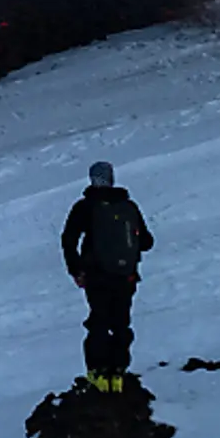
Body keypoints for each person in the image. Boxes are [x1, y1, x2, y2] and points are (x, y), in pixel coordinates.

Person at [61, 160, 153, 391]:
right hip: (126, 275)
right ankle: (118, 372)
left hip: (96, 275)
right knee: (121, 321)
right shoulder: (128, 206)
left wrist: (76, 269)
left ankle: (98, 373)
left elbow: (68, 239)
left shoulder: (85, 206)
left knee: (99, 321)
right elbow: (147, 242)